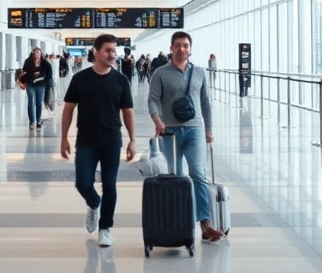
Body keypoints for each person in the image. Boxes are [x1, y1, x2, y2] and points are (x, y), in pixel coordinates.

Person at [60, 33, 137, 247]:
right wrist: (64, 138)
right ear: (96, 51)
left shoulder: (120, 80)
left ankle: (105, 227)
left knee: (109, 184)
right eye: (108, 50)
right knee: (83, 182)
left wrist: (132, 140)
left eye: (114, 50)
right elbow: (68, 109)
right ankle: (94, 203)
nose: (113, 54)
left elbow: (128, 111)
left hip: (112, 139)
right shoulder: (80, 79)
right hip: (86, 139)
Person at [147, 31, 224, 242]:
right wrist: (157, 119)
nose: (182, 49)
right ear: (171, 48)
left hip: (195, 129)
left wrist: (209, 129)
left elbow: (206, 102)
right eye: (178, 45)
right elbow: (153, 100)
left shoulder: (199, 72)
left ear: (190, 49)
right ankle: (178, 221)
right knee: (175, 176)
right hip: (169, 131)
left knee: (198, 174)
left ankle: (206, 224)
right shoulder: (160, 73)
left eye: (186, 45)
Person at [20, 48, 53, 131]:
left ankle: (38, 120)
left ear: (40, 53)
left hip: (41, 85)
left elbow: (49, 73)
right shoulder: (28, 62)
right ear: (33, 53)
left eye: (38, 52)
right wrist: (23, 83)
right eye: (35, 53)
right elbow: (23, 72)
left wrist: (46, 82)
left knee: (38, 103)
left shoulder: (45, 63)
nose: (37, 54)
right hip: (30, 84)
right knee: (31, 102)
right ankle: (32, 121)